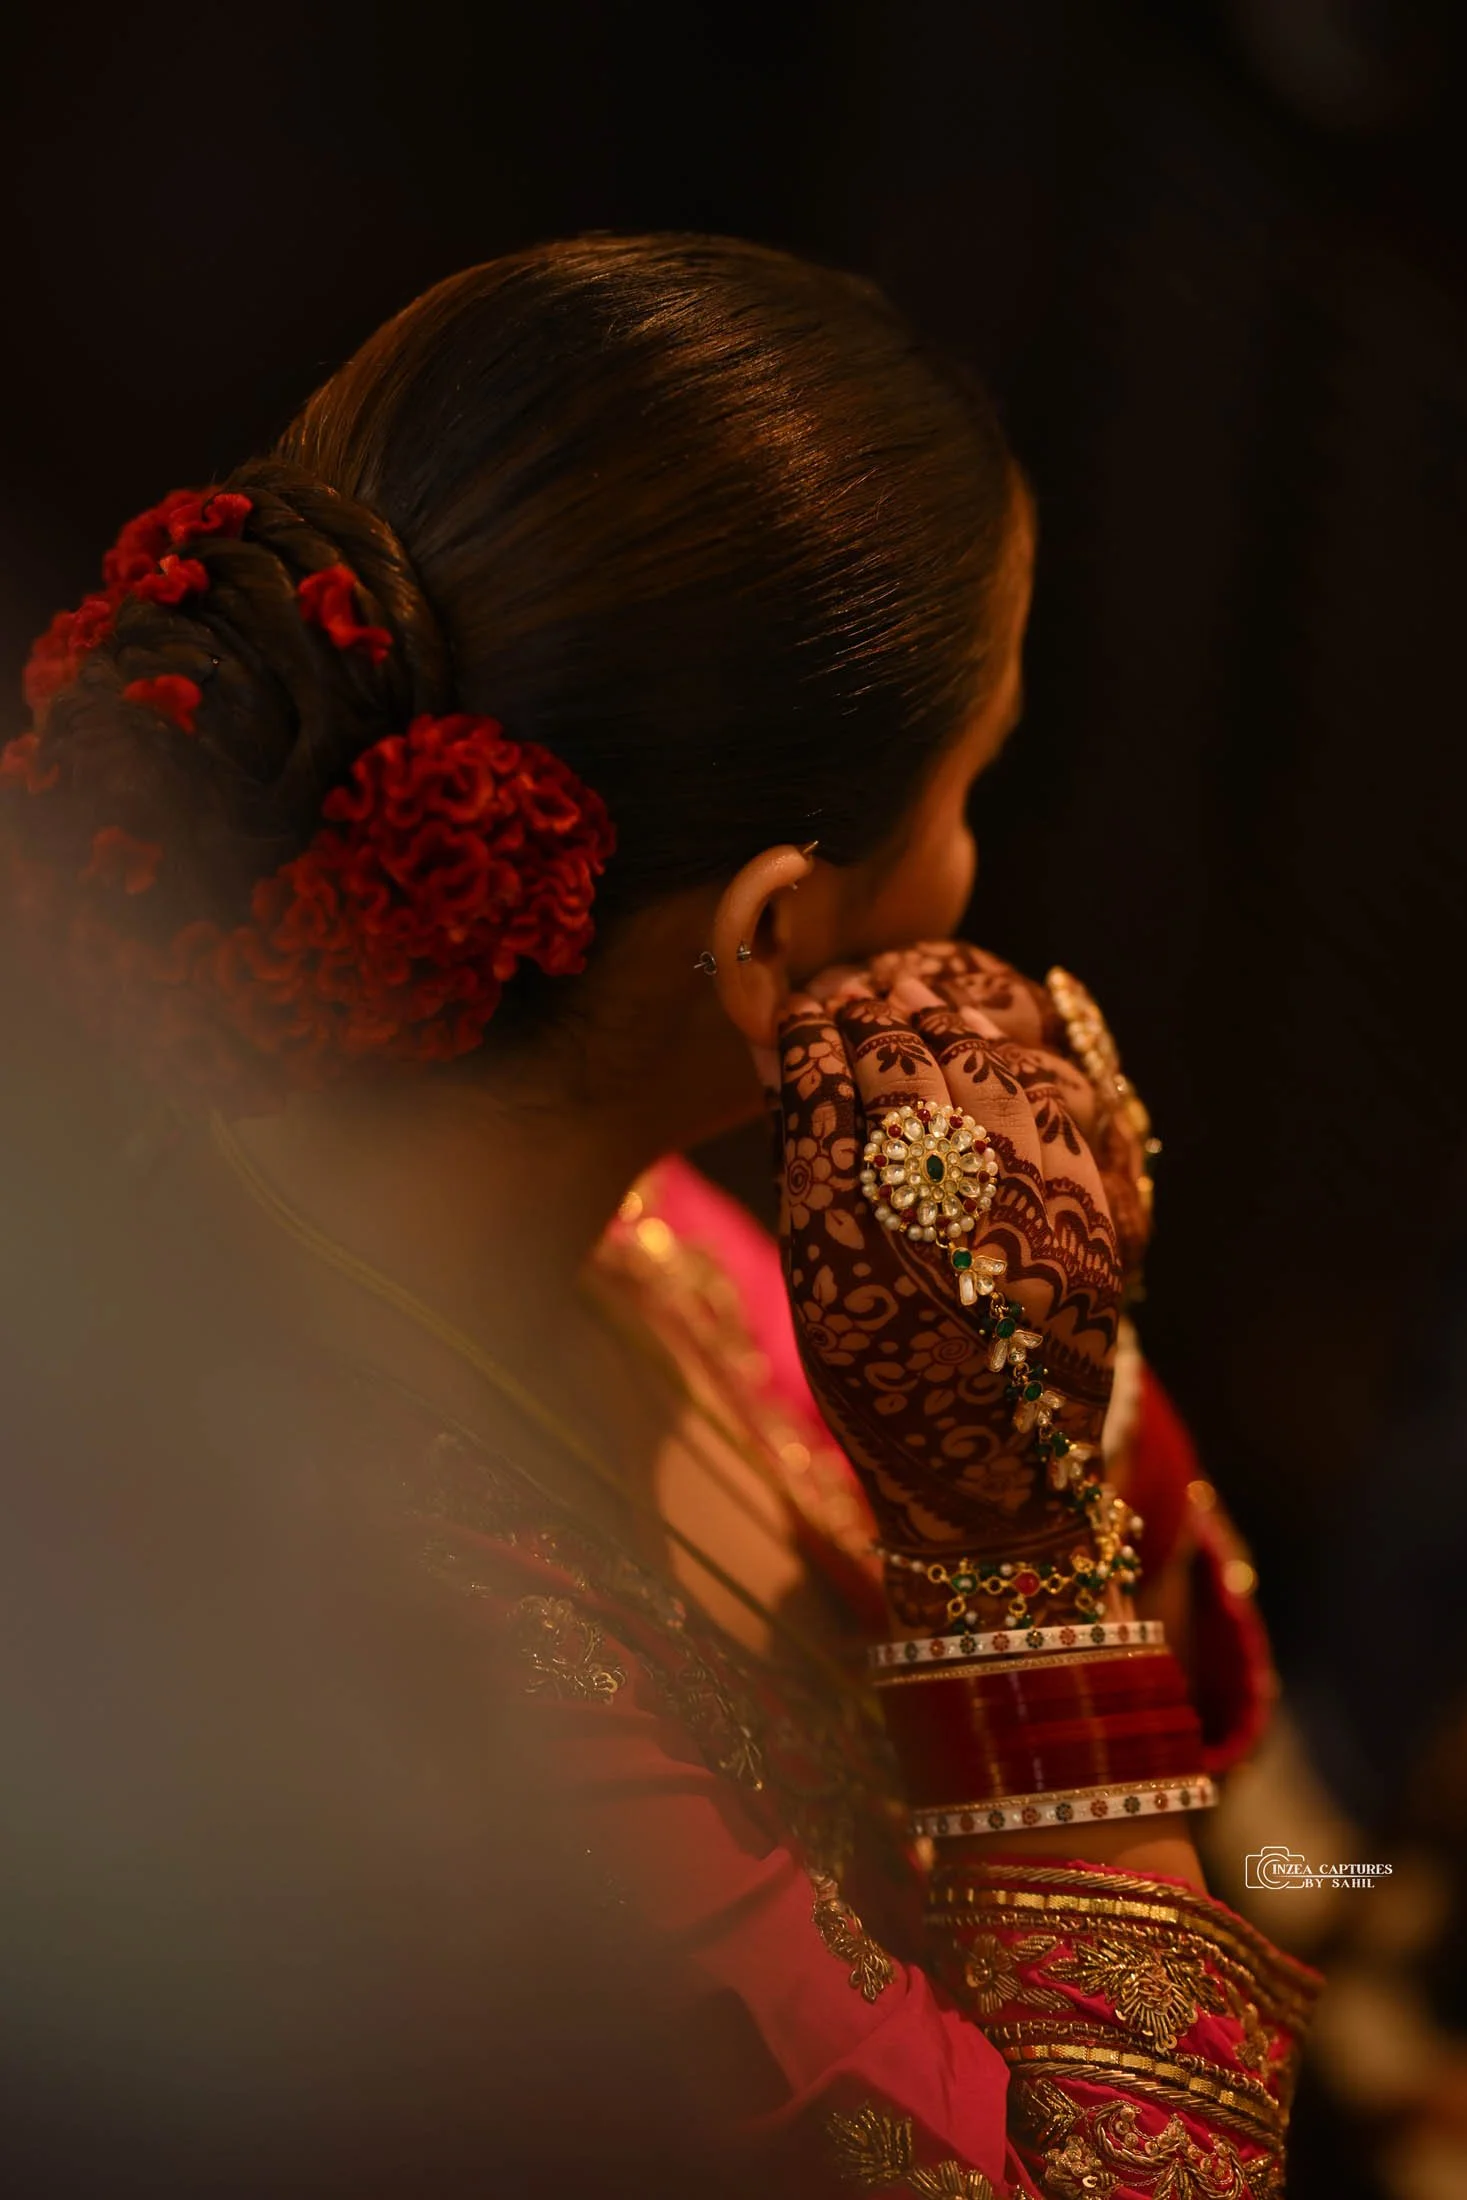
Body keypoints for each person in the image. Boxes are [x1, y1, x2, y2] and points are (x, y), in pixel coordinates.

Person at [0, 233, 1323, 2196]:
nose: (975, 869)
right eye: (978, 781)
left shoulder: (631, 1229)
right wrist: (1016, 1559)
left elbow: (1211, 1730)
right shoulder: (440, 1726)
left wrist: (1034, 1384)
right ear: (775, 933)